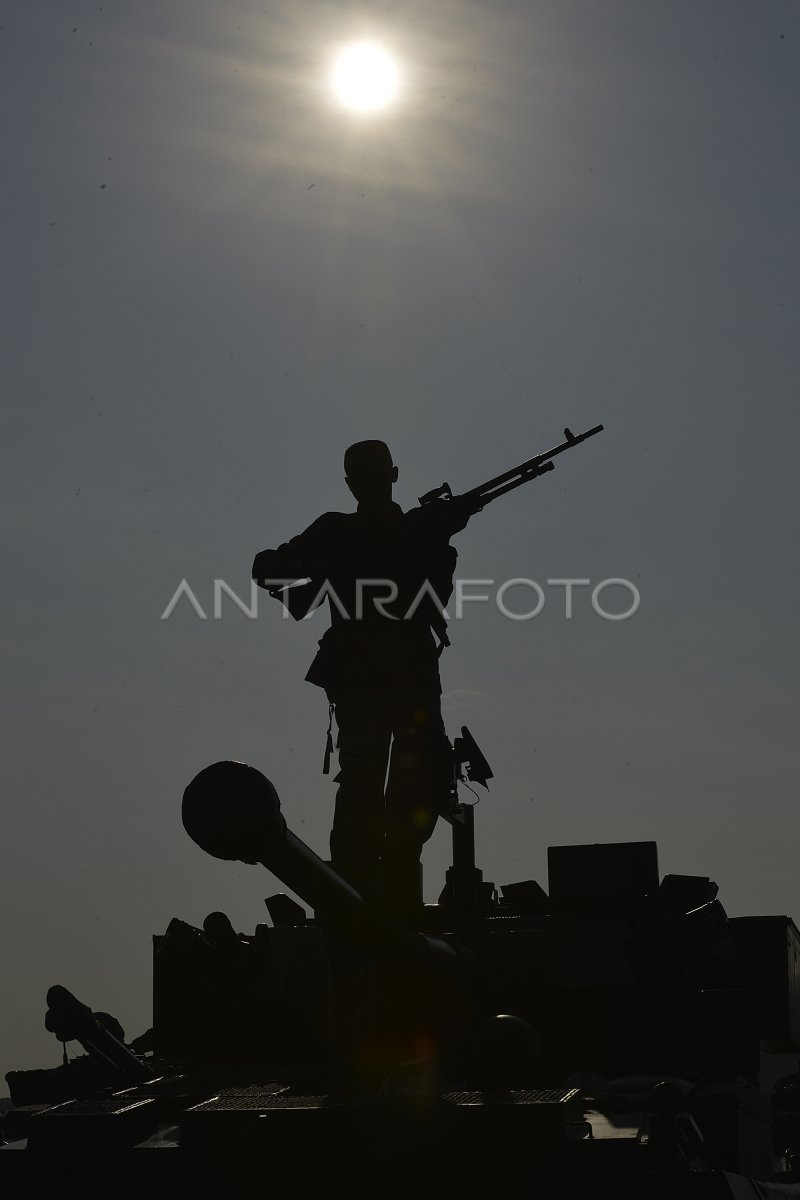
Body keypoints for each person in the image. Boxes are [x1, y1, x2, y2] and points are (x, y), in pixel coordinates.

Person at [252, 440, 471, 912]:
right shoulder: (337, 531)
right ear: (354, 483)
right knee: (363, 792)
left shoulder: (418, 532)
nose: (370, 485)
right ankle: (356, 890)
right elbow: (266, 570)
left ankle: (393, 886)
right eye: (363, 478)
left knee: (416, 786)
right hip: (365, 680)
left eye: (375, 476)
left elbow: (434, 601)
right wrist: (330, 568)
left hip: (409, 678)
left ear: (393, 475)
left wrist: (439, 542)